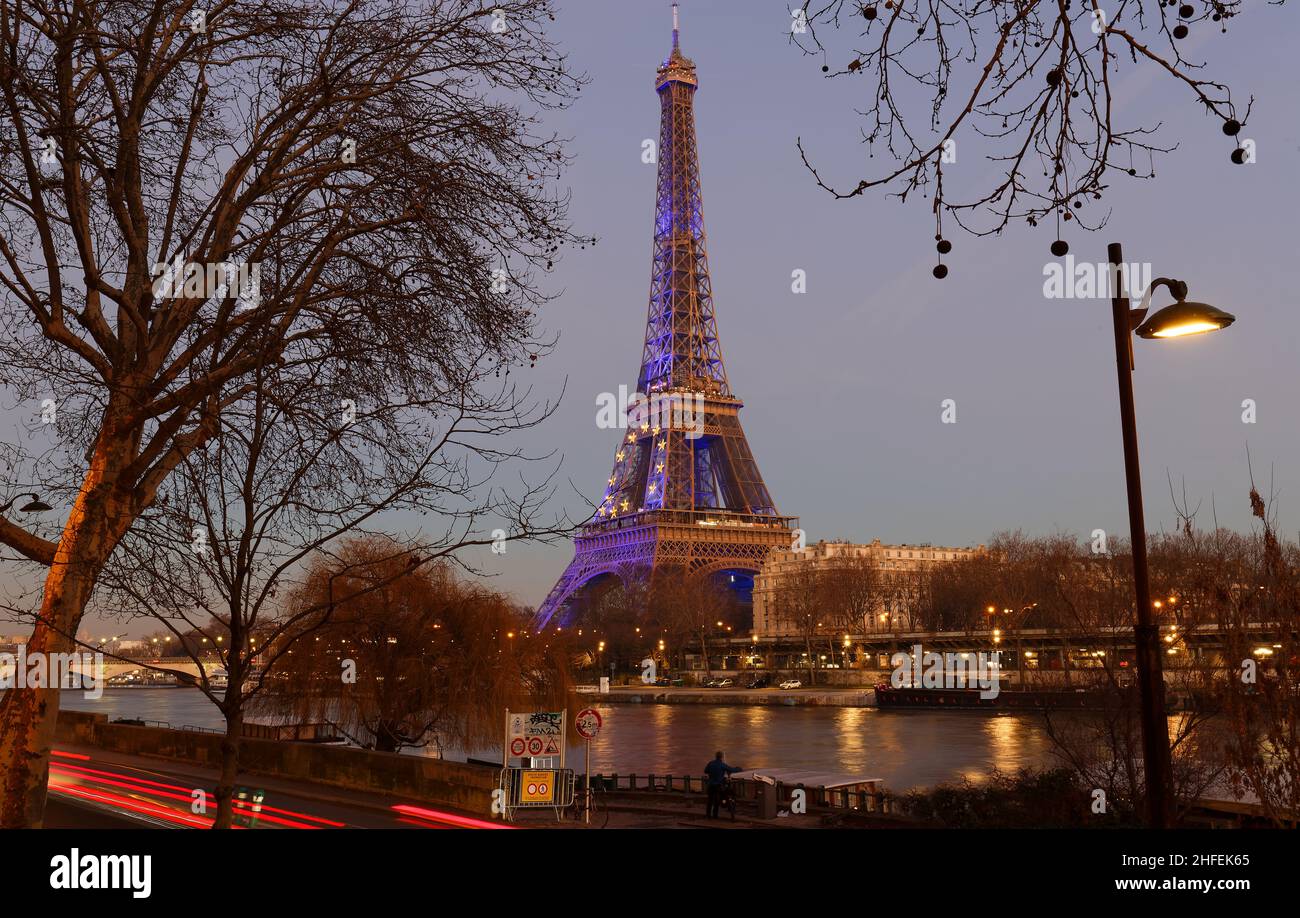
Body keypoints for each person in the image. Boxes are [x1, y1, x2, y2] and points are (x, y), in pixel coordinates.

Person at [703, 750, 739, 819]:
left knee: (710, 801)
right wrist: (738, 769)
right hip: (718, 785)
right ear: (721, 757)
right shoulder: (722, 765)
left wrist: (711, 773)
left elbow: (705, 771)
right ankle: (715, 815)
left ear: (715, 756)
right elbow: (731, 769)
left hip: (710, 785)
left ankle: (708, 815)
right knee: (717, 800)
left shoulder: (710, 763)